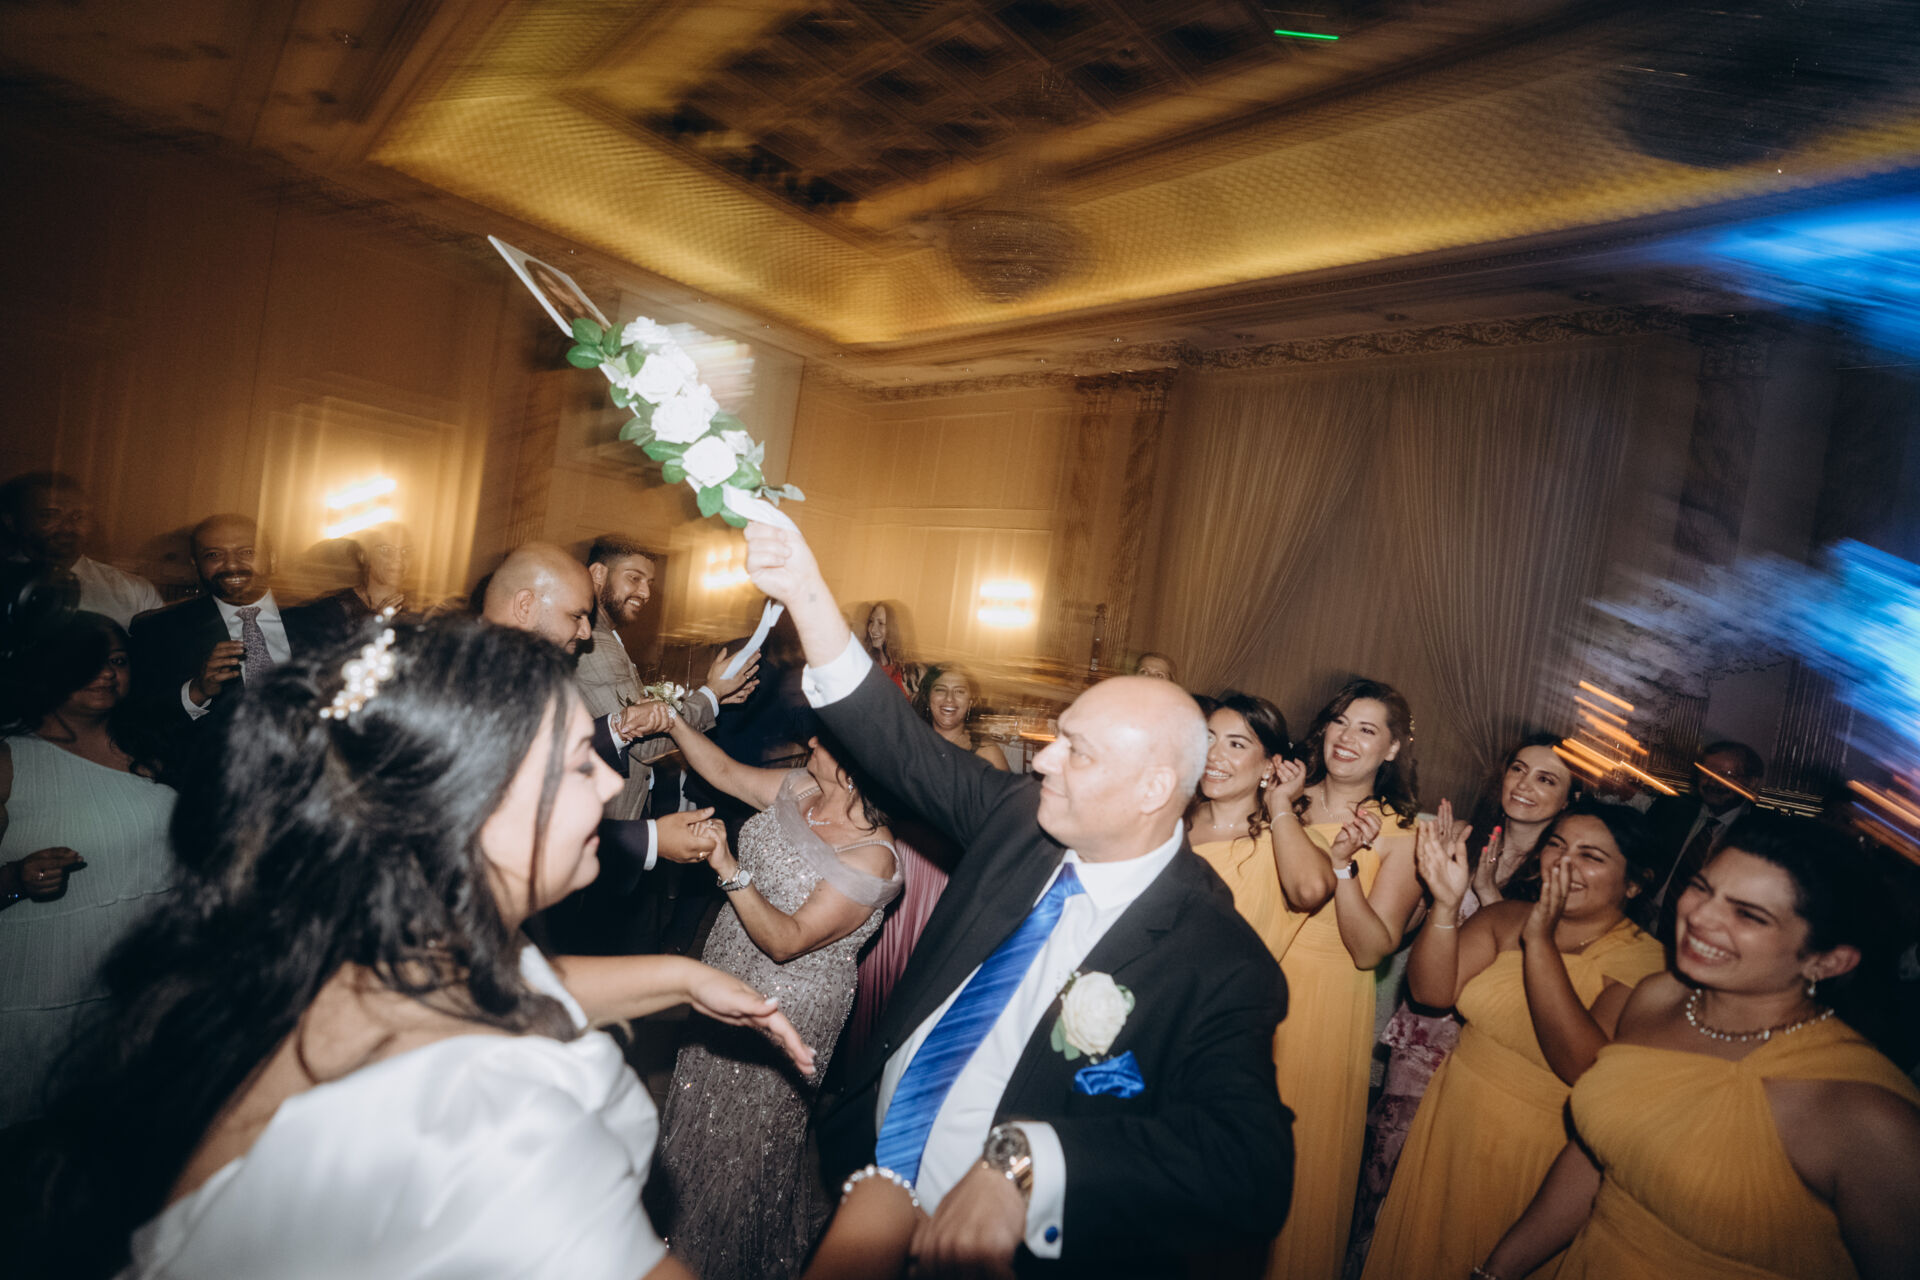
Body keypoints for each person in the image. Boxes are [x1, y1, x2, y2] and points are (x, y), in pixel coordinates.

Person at [20, 618, 812, 1280]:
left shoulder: (358, 946)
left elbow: (507, 983)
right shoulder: (493, 1120)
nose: (610, 787)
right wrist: (878, 1206)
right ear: (469, 807)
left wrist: (684, 976)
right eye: (580, 765)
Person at [744, 518, 1291, 1278]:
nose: (1043, 762)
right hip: (866, 1183)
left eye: (1077, 751)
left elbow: (1250, 1168)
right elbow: (899, 747)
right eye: (1058, 737)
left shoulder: (1218, 957)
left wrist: (1035, 1158)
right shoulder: (1019, 823)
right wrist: (806, 589)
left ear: (1153, 789)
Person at [1482, 813, 1920, 1280]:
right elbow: (1604, 1151)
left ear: (1827, 961)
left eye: (1749, 914)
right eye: (1702, 888)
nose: (1700, 917)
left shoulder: (1866, 1112)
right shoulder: (1657, 998)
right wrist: (1495, 1271)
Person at [1359, 800, 1666, 1280]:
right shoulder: (1505, 917)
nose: (1565, 863)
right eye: (1558, 845)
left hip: (1537, 1150)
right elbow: (1431, 992)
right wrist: (1445, 904)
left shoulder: (1647, 965)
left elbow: (1584, 1067)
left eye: (1591, 856)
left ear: (1635, 882)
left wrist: (1540, 944)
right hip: (1449, 1126)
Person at [653, 716, 901, 1280]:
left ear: (855, 771)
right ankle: (675, 1229)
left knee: (744, 1145)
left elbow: (786, 940)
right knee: (697, 1113)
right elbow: (723, 771)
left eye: (825, 742)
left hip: (788, 1006)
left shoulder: (873, 858)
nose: (811, 742)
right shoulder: (800, 786)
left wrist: (727, 866)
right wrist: (672, 722)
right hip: (728, 966)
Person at [1347, 734, 1577, 1274]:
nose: (1525, 785)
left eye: (1546, 779)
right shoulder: (1465, 839)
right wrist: (1425, 882)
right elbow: (1401, 936)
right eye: (1518, 769)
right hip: (1425, 1033)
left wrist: (1489, 894)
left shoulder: (1562, 875)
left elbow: (1536, 980)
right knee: (1384, 1174)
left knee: (1445, 1188)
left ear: (1569, 800)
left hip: (1486, 1049)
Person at [1252, 678, 1422, 1280]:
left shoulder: (1400, 833)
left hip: (1322, 1005)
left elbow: (1372, 950)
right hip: (1247, 983)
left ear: (1393, 748)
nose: (1347, 738)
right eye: (1341, 722)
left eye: (1367, 729)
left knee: (1293, 1169)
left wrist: (1346, 866)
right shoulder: (1282, 796)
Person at [479, 542, 727, 928]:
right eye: (576, 616)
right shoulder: (469, 683)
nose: (585, 631)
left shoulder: (521, 671)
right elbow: (510, 828)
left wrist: (619, 727)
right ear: (526, 605)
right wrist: (649, 838)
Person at [0, 613, 176, 1128]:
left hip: (134, 991)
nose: (106, 673)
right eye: (88, 662)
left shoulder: (149, 746)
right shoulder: (11, 760)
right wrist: (16, 879)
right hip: (42, 999)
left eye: (117, 661)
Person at [564, 535, 757, 952]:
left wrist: (710, 698)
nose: (646, 593)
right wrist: (711, 694)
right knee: (590, 948)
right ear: (598, 574)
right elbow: (645, 745)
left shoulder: (606, 636)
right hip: (605, 822)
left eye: (649, 583)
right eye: (634, 578)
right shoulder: (595, 642)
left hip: (614, 821)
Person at [127, 514, 328, 737]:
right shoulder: (159, 629)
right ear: (196, 564)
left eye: (247, 552)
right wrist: (197, 691)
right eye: (214, 555)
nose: (231, 565)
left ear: (272, 559)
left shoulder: (320, 618)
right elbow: (137, 719)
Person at [0, 472, 163, 629]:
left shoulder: (135, 591)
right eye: (50, 515)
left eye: (78, 517)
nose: (68, 527)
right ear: (11, 522)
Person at [1646, 740, 1765, 936]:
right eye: (1706, 772)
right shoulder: (1670, 808)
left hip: (1708, 934)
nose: (1713, 782)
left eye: (1726, 775)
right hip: (1645, 925)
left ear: (1751, 783)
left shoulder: (1761, 833)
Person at [296, 523, 414, 645]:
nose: (399, 558)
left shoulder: (418, 610)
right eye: (386, 550)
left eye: (406, 551)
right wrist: (373, 626)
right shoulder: (334, 607)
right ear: (363, 556)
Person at [912, 664, 1008, 770]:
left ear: (971, 702)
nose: (949, 698)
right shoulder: (911, 745)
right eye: (940, 690)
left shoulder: (988, 754)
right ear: (927, 698)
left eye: (959, 691)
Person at [860, 601, 917, 695]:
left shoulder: (909, 672)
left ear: (896, 628)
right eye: (871, 621)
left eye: (881, 623)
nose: (873, 629)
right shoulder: (866, 663)